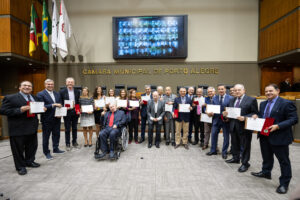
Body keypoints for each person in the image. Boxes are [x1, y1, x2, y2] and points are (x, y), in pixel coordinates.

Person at [251, 84, 298, 194]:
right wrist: (256, 116)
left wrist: (278, 126)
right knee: (266, 157)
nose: (268, 93)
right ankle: (266, 172)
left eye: (271, 91)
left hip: (279, 136)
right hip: (264, 134)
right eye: (266, 91)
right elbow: (262, 115)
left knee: (283, 161)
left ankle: (284, 183)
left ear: (278, 91)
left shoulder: (286, 103)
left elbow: (294, 119)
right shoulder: (262, 104)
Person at [0, 81, 42, 175]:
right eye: (25, 85)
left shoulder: (35, 97)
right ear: (19, 87)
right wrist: (20, 110)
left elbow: (35, 110)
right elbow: (3, 111)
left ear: (31, 88)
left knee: (32, 147)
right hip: (18, 128)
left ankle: (29, 161)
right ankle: (20, 166)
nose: (27, 87)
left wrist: (42, 109)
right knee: (18, 149)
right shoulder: (10, 97)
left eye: (29, 86)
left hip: (32, 127)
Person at [223, 84, 258, 173]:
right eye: (235, 90)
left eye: (239, 90)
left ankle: (245, 163)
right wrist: (225, 115)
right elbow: (230, 113)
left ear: (244, 90)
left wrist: (245, 117)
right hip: (233, 126)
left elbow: (255, 114)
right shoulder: (232, 100)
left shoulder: (251, 100)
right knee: (234, 144)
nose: (237, 92)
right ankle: (235, 158)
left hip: (245, 127)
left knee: (245, 146)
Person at [37, 79, 65, 160]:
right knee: (46, 137)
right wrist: (53, 105)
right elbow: (42, 106)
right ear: (45, 85)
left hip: (57, 118)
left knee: (56, 134)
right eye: (48, 84)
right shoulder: (40, 94)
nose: (50, 86)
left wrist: (60, 114)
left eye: (51, 84)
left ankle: (56, 149)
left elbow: (60, 104)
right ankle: (46, 152)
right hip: (46, 119)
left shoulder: (57, 93)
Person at [206, 84, 233, 159]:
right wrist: (209, 112)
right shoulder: (215, 98)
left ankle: (224, 152)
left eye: (222, 89)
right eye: (219, 89)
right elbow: (211, 108)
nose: (221, 90)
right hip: (216, 120)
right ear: (217, 90)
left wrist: (229, 116)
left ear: (225, 90)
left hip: (226, 121)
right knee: (214, 135)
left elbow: (232, 109)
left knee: (226, 137)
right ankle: (213, 150)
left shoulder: (230, 98)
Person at [59, 77, 81, 151]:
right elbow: (60, 102)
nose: (70, 83)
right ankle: (67, 143)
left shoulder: (77, 91)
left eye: (71, 82)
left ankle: (74, 142)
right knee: (67, 128)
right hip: (67, 112)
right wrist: (63, 107)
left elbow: (78, 102)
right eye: (69, 82)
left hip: (75, 112)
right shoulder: (62, 91)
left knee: (75, 128)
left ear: (74, 83)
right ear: (66, 83)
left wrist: (78, 110)